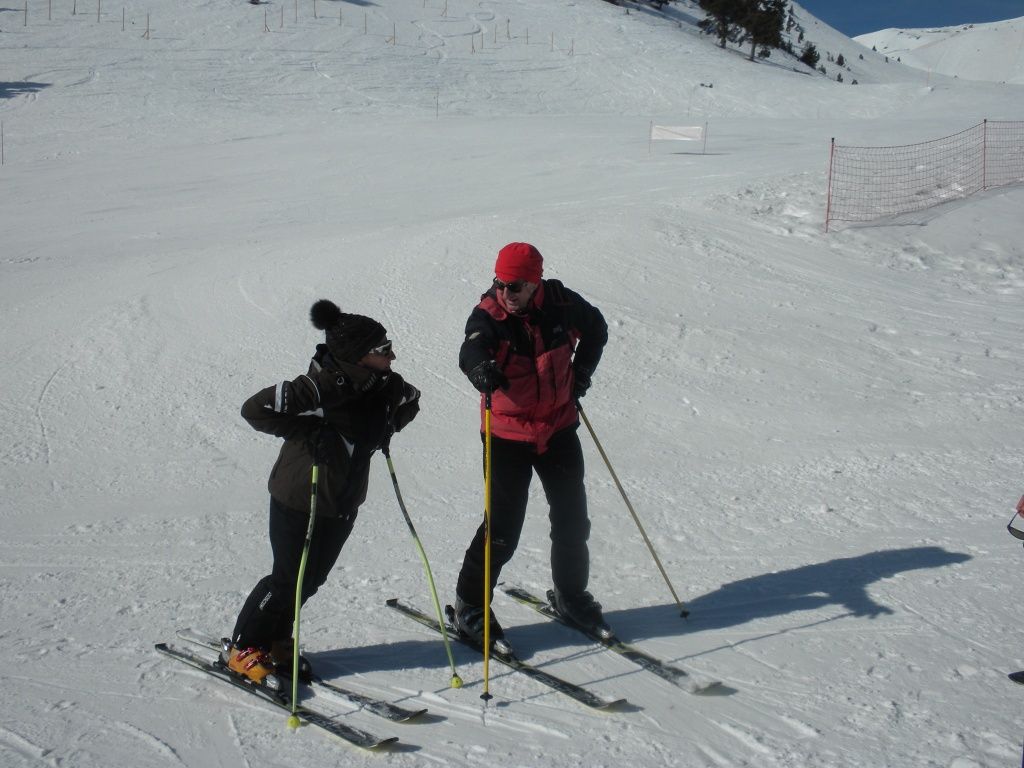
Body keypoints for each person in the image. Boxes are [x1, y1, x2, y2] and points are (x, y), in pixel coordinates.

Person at [224, 299, 421, 684]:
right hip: (300, 497)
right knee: (286, 579)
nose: (392, 355)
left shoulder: (385, 386)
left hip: (343, 500)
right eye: (383, 350)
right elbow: (254, 409)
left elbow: (412, 401)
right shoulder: (317, 388)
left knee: (310, 580)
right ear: (358, 356)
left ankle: (276, 638)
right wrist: (304, 430)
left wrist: (386, 426)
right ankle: (243, 646)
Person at [453, 242, 611, 648]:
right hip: (508, 437)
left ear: (535, 281)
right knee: (502, 530)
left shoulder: (560, 302)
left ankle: (571, 596)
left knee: (573, 520)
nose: (506, 293)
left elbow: (596, 329)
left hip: (558, 427)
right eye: (500, 283)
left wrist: (582, 375)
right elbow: (470, 348)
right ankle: (470, 605)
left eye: (516, 285)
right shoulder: (490, 315)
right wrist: (480, 369)